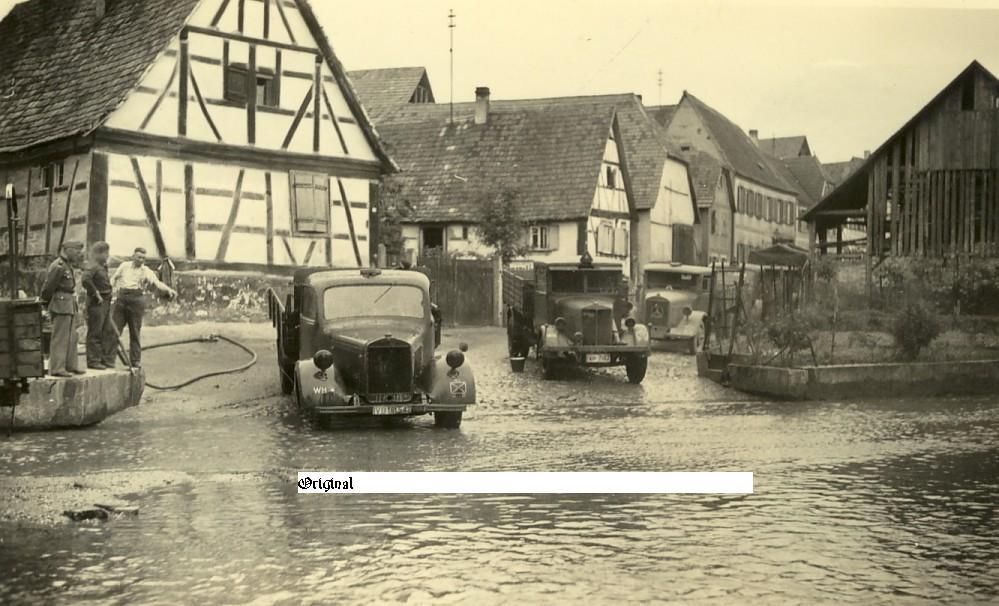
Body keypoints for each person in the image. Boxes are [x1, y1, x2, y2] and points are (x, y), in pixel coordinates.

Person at [110, 247, 178, 368]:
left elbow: (157, 283)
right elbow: (114, 278)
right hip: (121, 299)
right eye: (139, 257)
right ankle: (109, 360)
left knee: (135, 332)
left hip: (136, 300)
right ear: (133, 256)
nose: (141, 260)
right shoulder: (124, 266)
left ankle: (135, 361)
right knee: (114, 331)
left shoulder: (146, 270)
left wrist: (169, 290)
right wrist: (111, 290)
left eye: (143, 258)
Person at [40, 241, 86, 378]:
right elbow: (48, 287)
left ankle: (70, 366)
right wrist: (44, 304)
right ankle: (57, 368)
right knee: (60, 337)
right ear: (68, 250)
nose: (78, 254)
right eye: (76, 251)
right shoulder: (58, 266)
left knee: (72, 337)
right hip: (60, 304)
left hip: (68, 303)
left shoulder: (67, 265)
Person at [81, 242, 118, 370]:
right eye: (105, 253)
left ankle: (105, 359)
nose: (107, 255)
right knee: (95, 332)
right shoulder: (93, 266)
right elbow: (85, 280)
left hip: (105, 303)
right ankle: (93, 361)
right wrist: (95, 293)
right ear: (99, 253)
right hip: (97, 304)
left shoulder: (102, 266)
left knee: (108, 331)